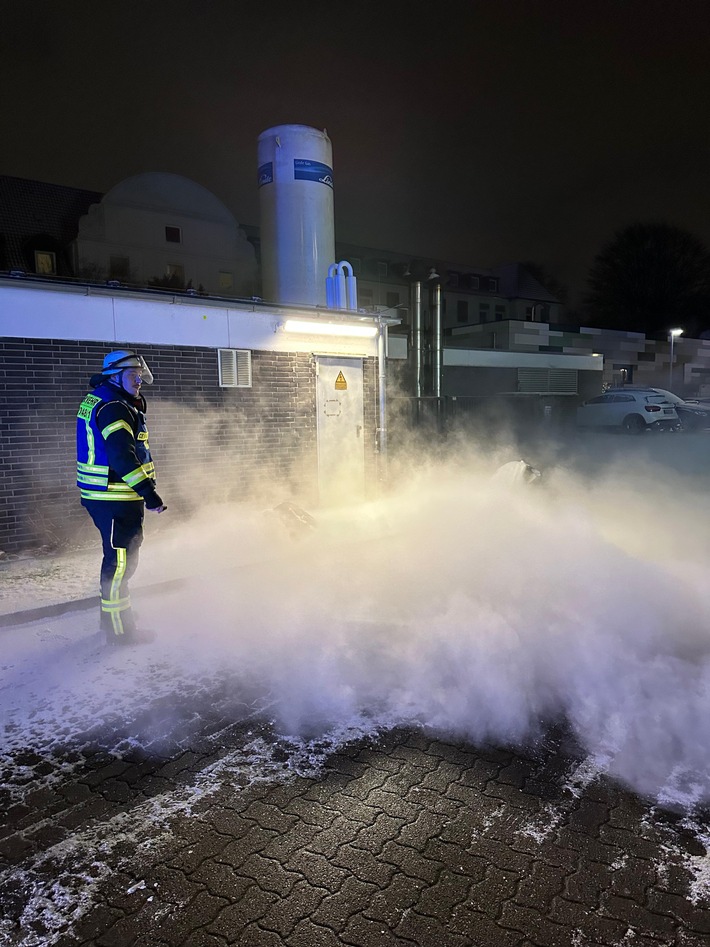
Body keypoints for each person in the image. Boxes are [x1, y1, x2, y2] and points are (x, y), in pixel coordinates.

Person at [76, 350, 167, 645]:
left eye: (140, 374)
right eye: (132, 374)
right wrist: (149, 495)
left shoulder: (105, 397)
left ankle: (116, 616)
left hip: (107, 496)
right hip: (115, 498)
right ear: (114, 376)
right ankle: (120, 632)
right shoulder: (115, 406)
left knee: (118, 561)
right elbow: (121, 456)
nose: (139, 380)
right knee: (119, 565)